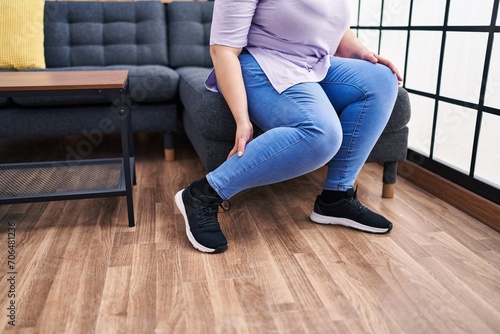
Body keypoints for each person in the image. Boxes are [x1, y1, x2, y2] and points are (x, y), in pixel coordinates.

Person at [175, 0, 403, 254]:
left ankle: (335, 198)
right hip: (262, 64)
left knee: (382, 79)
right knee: (322, 134)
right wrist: (242, 120)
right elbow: (223, 51)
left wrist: (363, 52)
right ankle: (201, 195)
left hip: (314, 64)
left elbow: (333, 26)